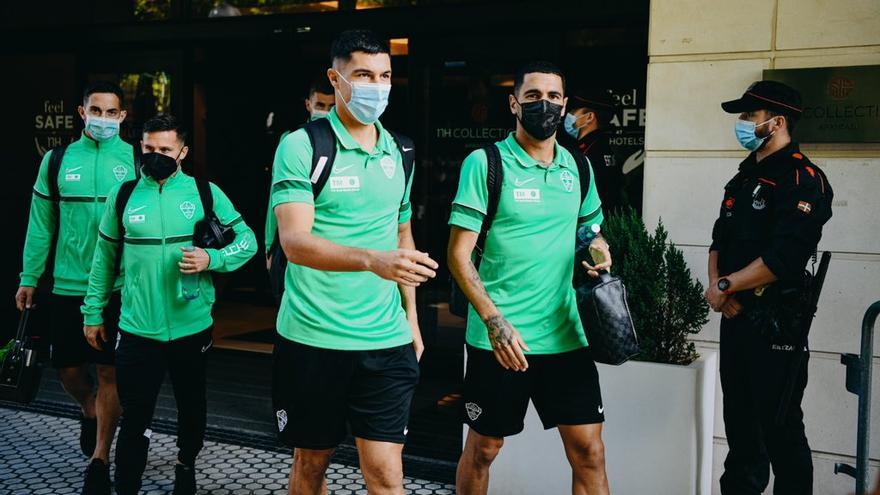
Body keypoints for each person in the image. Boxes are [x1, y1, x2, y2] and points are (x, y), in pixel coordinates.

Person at [270, 29, 437, 495]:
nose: (376, 86)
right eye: (363, 74)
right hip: (312, 338)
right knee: (311, 468)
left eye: (384, 76)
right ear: (335, 78)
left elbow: (401, 233)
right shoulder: (302, 146)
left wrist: (412, 320)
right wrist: (371, 261)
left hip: (385, 341)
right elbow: (295, 242)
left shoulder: (400, 151)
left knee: (385, 474)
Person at [449, 61, 612, 495]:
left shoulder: (578, 168)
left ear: (565, 104)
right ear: (514, 103)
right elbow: (458, 256)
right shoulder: (485, 164)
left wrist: (598, 253)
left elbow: (590, 232)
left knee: (589, 452)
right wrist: (494, 323)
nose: (546, 105)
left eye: (555, 97)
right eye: (534, 96)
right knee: (484, 449)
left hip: (566, 335)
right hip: (503, 340)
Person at [81, 113, 256, 495]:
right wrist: (92, 312)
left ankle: (185, 463)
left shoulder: (205, 192)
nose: (155, 155)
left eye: (165, 149)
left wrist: (214, 260)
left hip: (192, 326)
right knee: (135, 415)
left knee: (191, 407)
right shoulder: (124, 195)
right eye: (148, 149)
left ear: (183, 151)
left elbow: (248, 241)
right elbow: (103, 260)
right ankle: (126, 483)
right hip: (137, 328)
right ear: (139, 149)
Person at [706, 80, 833, 494]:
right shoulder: (744, 177)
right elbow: (719, 242)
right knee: (740, 432)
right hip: (735, 317)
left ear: (776, 122)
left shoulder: (803, 178)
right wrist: (720, 289)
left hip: (776, 325)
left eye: (749, 116)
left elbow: (784, 260)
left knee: (781, 433)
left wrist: (726, 285)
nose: (742, 123)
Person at [16, 80, 136, 493]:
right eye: (96, 111)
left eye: (112, 112)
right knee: (67, 369)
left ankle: (100, 456)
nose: (104, 119)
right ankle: (90, 409)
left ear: (122, 117)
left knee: (109, 371)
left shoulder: (136, 160)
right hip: (69, 285)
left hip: (118, 286)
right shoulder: (57, 160)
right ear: (82, 113)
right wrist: (29, 277)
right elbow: (41, 225)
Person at [266, 76, 336, 303]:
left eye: (331, 107)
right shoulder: (293, 140)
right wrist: (270, 245)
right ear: (308, 104)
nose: (325, 111)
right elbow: (274, 198)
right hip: (293, 236)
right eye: (320, 106)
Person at [562, 88, 626, 214]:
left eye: (574, 111)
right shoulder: (604, 145)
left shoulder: (589, 151)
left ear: (589, 117)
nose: (569, 114)